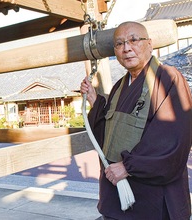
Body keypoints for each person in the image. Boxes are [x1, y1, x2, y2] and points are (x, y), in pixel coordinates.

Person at [80, 21, 192, 219]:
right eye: (119, 44)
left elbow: (172, 138)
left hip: (153, 199)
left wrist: (128, 167)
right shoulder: (119, 86)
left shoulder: (168, 79)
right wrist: (95, 102)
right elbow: (107, 136)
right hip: (119, 194)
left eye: (133, 40)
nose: (126, 48)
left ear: (149, 44)